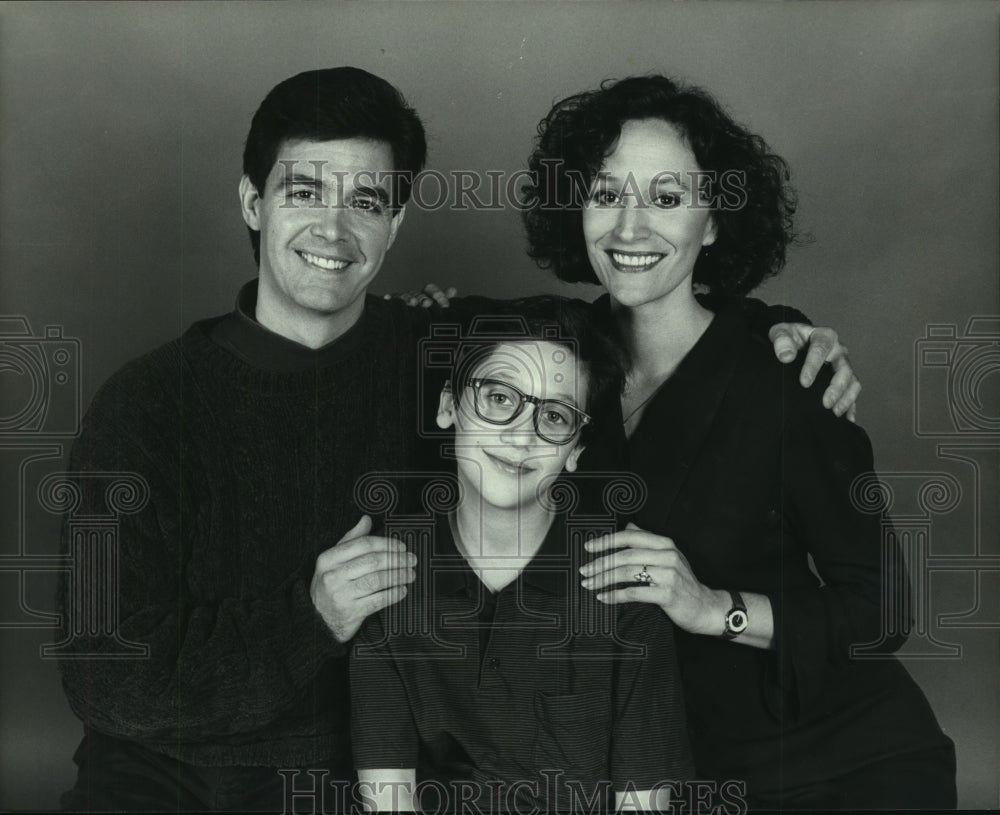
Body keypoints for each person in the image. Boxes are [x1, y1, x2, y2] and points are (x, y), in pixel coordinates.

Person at [55, 66, 858, 812]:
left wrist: (770, 334)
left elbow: (619, 313)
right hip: (164, 773)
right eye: (304, 191)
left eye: (367, 201)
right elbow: (104, 675)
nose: (333, 228)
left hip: (360, 773)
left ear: (396, 221)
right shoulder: (145, 405)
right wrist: (308, 617)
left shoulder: (433, 348)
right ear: (251, 202)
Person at [521, 74, 957, 810]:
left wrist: (710, 605)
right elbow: (432, 327)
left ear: (714, 223)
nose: (630, 229)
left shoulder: (790, 372)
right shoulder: (554, 361)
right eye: (606, 194)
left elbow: (882, 608)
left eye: (666, 198)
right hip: (667, 772)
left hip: (839, 763)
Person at [350, 298, 693, 813]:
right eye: (498, 397)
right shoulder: (389, 581)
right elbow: (388, 802)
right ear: (449, 406)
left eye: (554, 415)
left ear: (575, 449)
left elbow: (642, 806)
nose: (520, 434)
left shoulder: (626, 590)